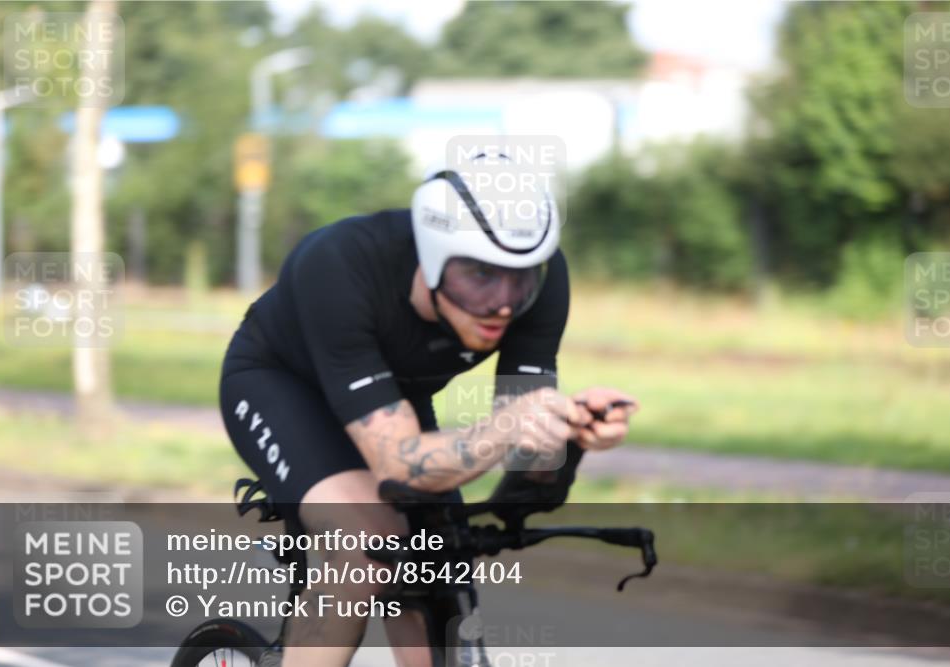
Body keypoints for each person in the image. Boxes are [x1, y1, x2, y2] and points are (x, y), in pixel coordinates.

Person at [219, 153, 638, 667]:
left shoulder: (542, 283)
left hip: (392, 397)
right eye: (479, 275)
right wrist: (507, 426)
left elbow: (526, 472)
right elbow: (400, 464)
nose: (503, 304)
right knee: (367, 540)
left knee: (438, 556)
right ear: (434, 257)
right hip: (281, 383)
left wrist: (572, 434)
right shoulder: (339, 263)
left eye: (519, 278)